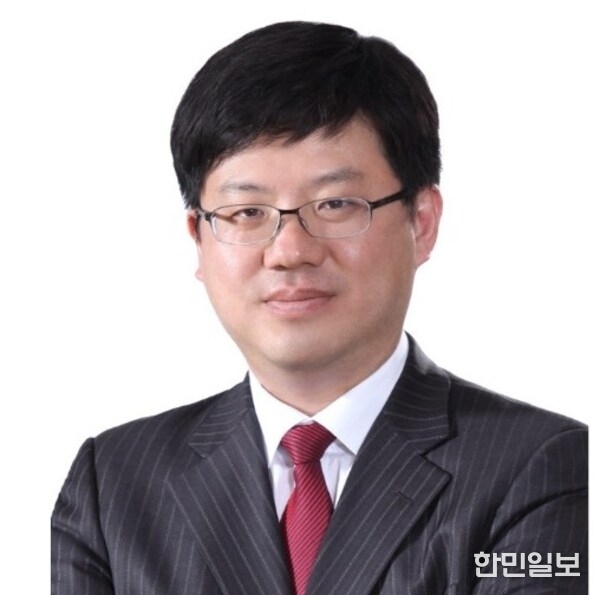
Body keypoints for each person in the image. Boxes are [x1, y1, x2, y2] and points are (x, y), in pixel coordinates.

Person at [51, 21, 587, 594]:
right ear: (199, 239)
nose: (289, 251)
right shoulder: (112, 484)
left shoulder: (542, 468)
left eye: (335, 204)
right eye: (246, 213)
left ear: (422, 222)